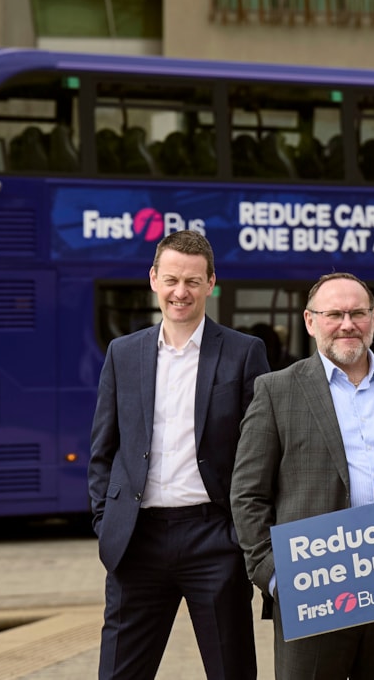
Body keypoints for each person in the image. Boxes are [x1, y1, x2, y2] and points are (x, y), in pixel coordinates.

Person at [231, 272, 374, 680]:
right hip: (315, 590)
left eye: (358, 313)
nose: (347, 324)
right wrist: (274, 576)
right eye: (334, 313)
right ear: (310, 321)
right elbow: (247, 495)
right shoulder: (275, 391)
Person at [88, 230, 269, 680]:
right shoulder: (122, 354)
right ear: (153, 279)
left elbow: (264, 451)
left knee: (232, 671)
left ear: (211, 283)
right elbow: (103, 450)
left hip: (215, 541)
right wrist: (104, 521)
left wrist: (240, 535)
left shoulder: (245, 353)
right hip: (137, 542)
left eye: (192, 281)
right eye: (171, 280)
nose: (180, 292)